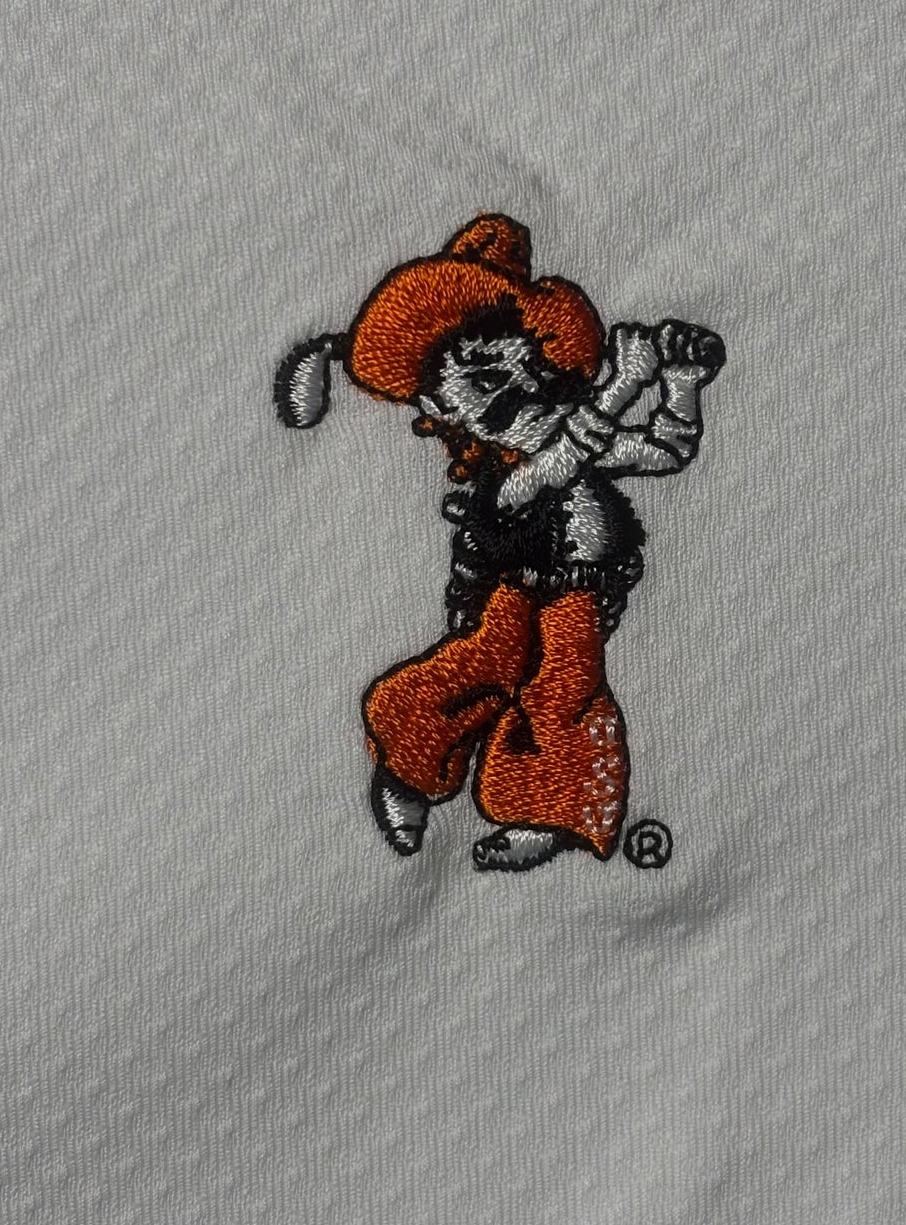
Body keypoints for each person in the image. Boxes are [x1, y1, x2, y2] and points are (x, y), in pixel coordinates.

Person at [274, 215, 724, 871]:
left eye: (532, 369)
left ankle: (546, 814)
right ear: (440, 407)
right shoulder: (506, 475)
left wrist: (681, 384)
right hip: (509, 596)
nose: (519, 390)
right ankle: (409, 768)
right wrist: (624, 383)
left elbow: (664, 450)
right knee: (476, 671)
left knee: (566, 696)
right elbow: (559, 462)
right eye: (484, 379)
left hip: (581, 599)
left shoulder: (567, 435)